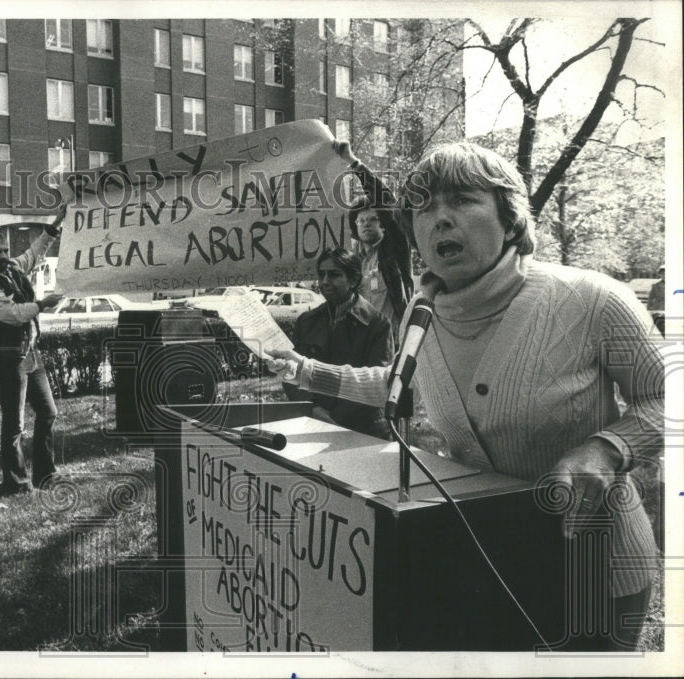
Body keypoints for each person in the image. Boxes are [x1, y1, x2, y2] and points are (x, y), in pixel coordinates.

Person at [268, 141, 663, 651]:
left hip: (595, 569)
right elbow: (396, 383)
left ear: (512, 217)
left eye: (461, 200)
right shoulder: (419, 311)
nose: (440, 220)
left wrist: (608, 449)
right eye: (424, 207)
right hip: (485, 561)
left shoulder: (592, 299)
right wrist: (306, 372)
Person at [0, 206, 66, 493]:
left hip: (31, 353)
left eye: (5, 250)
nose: (3, 256)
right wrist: (42, 305)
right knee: (14, 424)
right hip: (9, 357)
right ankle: (15, 482)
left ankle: (45, 475)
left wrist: (58, 219)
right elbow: (11, 314)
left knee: (48, 412)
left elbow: (35, 252)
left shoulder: (12, 268)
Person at [283, 247, 393, 438]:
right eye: (321, 275)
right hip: (314, 425)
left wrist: (334, 419)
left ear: (353, 280)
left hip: (363, 431)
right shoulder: (306, 321)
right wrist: (313, 409)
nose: (325, 281)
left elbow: (376, 384)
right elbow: (291, 373)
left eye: (334, 275)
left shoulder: (378, 325)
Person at [342, 145, 414, 330]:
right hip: (363, 346)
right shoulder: (353, 263)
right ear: (355, 226)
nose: (366, 223)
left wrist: (354, 162)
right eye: (362, 220)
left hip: (395, 343)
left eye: (373, 219)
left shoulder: (394, 251)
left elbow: (387, 202)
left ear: (384, 224)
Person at [647, 265, 665, 336]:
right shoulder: (656, 286)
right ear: (660, 275)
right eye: (662, 274)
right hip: (659, 309)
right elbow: (650, 298)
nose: (664, 275)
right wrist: (648, 310)